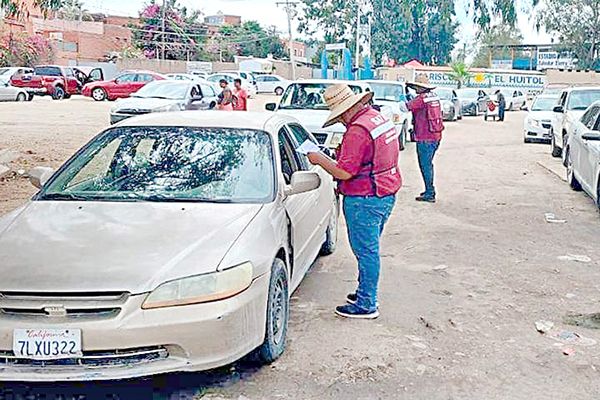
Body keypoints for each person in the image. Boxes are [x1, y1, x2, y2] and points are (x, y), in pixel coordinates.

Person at [306, 84, 402, 319]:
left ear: (347, 109)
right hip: (385, 191)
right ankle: (364, 292)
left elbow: (344, 172)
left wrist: (319, 159)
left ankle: (367, 303)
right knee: (369, 249)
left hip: (365, 197)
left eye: (340, 116)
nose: (340, 121)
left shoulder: (358, 131)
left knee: (366, 252)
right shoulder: (376, 118)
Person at [407, 75, 445, 203]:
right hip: (436, 135)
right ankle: (429, 190)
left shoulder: (421, 99)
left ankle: (430, 192)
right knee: (428, 164)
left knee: (425, 165)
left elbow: (405, 107)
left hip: (425, 136)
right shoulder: (434, 96)